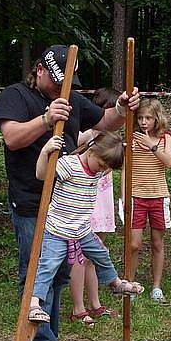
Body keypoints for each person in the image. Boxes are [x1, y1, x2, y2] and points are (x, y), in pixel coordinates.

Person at [0, 44, 140, 341]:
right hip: (33, 202)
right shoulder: (16, 96)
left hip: (65, 207)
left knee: (58, 273)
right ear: (40, 71)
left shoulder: (71, 97)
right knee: (35, 273)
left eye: (68, 85)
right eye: (57, 84)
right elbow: (12, 138)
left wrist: (120, 106)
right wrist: (46, 119)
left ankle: (47, 340)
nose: (63, 91)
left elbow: (106, 121)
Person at [28, 133, 144, 328]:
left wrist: (125, 149)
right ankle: (34, 304)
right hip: (58, 230)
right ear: (90, 152)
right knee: (48, 266)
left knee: (101, 254)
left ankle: (115, 284)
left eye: (107, 167)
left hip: (82, 231)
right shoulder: (69, 165)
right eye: (101, 165)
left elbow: (118, 163)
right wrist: (45, 151)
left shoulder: (98, 167)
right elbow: (41, 175)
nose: (103, 170)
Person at [69, 88, 121, 324]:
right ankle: (78, 307)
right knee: (79, 254)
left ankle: (95, 303)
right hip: (83, 198)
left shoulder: (113, 139)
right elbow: (72, 147)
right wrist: (90, 135)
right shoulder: (87, 133)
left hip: (102, 197)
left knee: (96, 249)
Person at [125, 98, 171, 302]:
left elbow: (169, 162)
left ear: (157, 119)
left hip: (158, 196)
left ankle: (156, 286)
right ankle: (130, 284)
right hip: (136, 196)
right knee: (134, 244)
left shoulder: (165, 139)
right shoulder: (132, 138)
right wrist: (123, 197)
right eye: (141, 118)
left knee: (157, 242)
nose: (144, 122)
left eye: (149, 118)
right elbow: (125, 167)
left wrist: (152, 146)